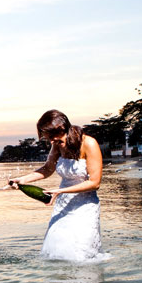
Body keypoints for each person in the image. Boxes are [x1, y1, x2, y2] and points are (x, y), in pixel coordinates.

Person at [9, 109, 104, 261]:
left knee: (81, 254)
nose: (51, 141)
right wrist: (23, 180)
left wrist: (59, 191)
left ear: (61, 127)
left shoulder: (89, 144)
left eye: (52, 137)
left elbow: (94, 183)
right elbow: (47, 169)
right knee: (57, 252)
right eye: (48, 138)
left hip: (84, 207)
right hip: (62, 205)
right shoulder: (57, 145)